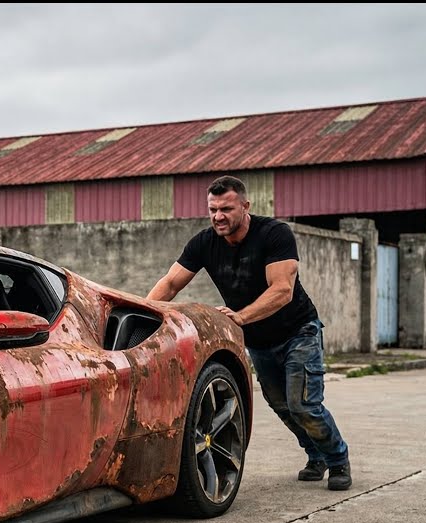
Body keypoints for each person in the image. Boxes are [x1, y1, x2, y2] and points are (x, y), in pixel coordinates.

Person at [146, 175, 352, 491]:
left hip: (299, 332)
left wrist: (240, 317)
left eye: (226, 209)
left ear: (245, 206)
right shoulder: (204, 243)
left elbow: (282, 290)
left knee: (303, 404)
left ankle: (338, 460)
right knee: (282, 406)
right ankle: (316, 456)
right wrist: (143, 313)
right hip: (259, 342)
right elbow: (172, 282)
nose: (218, 216)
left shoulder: (274, 234)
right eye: (212, 209)